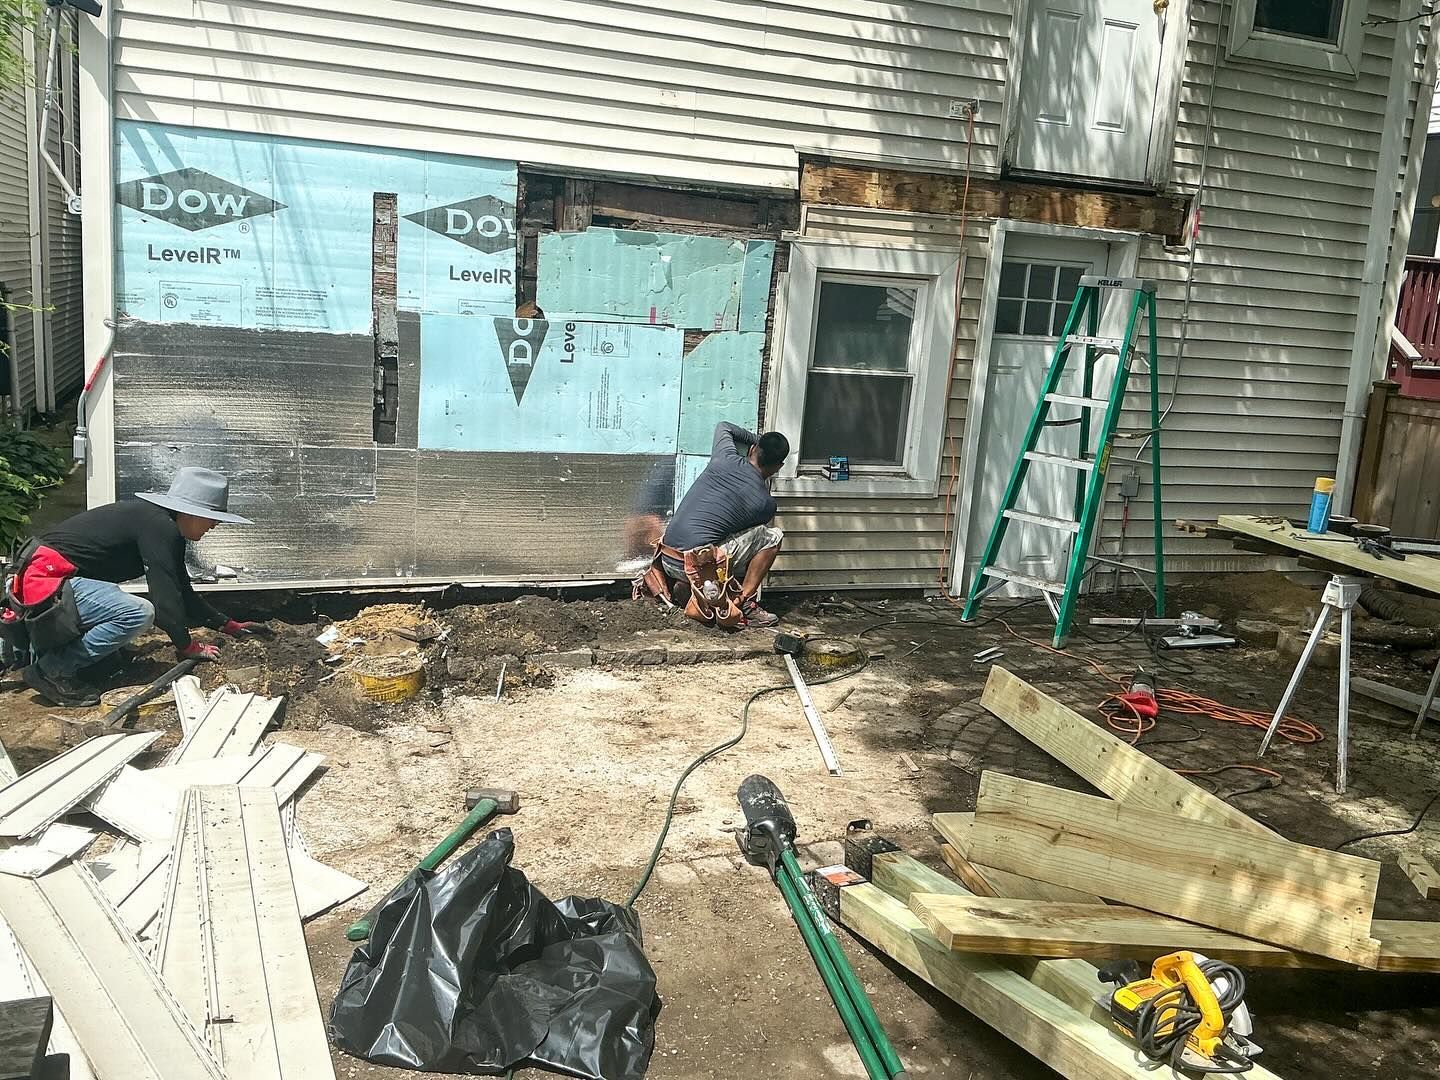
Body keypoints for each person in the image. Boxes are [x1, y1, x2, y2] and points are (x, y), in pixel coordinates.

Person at [15, 467, 263, 707]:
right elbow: (164, 601)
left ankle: (56, 662)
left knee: (109, 665)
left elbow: (181, 589)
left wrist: (226, 624)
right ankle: (50, 671)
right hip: (46, 583)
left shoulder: (159, 524)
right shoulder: (160, 526)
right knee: (138, 612)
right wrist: (186, 645)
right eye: (212, 518)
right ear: (191, 512)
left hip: (54, 586)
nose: (214, 526)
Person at [661, 422, 788, 628]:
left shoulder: (724, 457)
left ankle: (693, 588)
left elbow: (724, 426)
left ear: (753, 449)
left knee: (713, 534)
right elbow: (747, 539)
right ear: (778, 467)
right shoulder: (765, 504)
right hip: (694, 565)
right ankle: (744, 602)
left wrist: (759, 440)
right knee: (772, 537)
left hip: (667, 559)